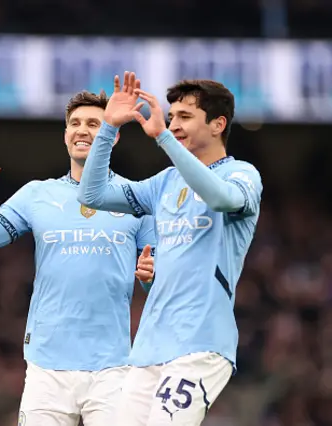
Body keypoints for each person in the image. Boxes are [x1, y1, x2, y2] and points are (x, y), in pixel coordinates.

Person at [0, 90, 156, 426]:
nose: (82, 130)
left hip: (112, 368)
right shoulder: (37, 194)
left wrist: (150, 278)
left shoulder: (135, 199)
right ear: (65, 135)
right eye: (75, 123)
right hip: (47, 366)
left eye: (94, 123)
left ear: (113, 135)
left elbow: (159, 286)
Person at [78, 72, 263, 426]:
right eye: (172, 116)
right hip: (149, 346)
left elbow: (220, 198)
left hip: (201, 344)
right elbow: (92, 195)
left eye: (185, 117)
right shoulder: (164, 183)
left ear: (217, 124)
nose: (173, 123)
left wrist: (163, 137)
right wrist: (108, 129)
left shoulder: (242, 175)